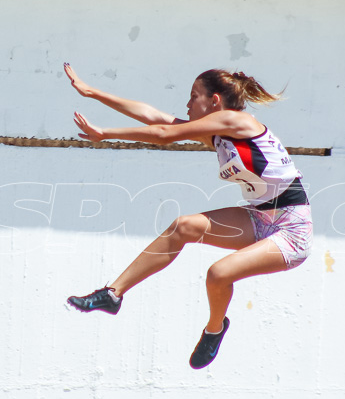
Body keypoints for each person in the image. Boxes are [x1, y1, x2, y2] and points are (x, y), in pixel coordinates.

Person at [64, 63, 312, 369]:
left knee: (218, 274)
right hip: (258, 217)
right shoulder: (219, 135)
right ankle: (112, 294)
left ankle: (214, 330)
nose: (187, 104)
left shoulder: (236, 121)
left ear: (215, 102)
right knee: (183, 227)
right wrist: (93, 93)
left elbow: (164, 133)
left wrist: (104, 133)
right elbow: (156, 118)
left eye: (194, 96)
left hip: (291, 230)